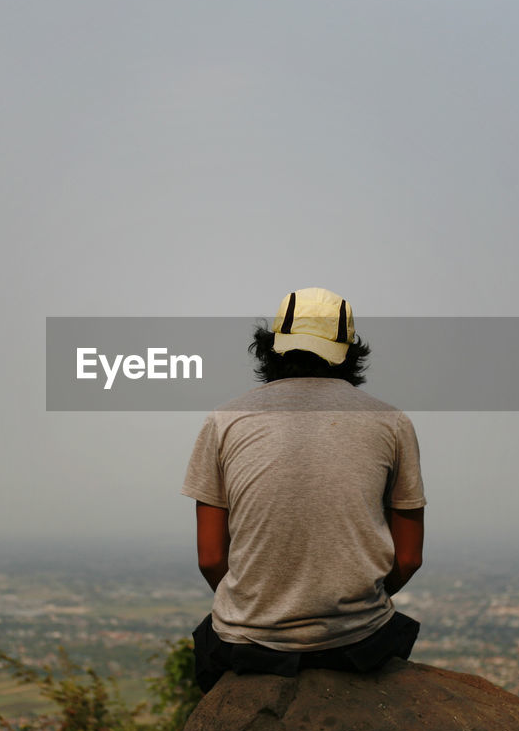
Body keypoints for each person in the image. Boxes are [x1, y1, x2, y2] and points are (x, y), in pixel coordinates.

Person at [181, 287, 427, 693]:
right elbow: (409, 557)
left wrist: (258, 609)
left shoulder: (223, 421)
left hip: (249, 646)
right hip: (357, 644)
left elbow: (210, 558)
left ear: (271, 348)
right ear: (349, 352)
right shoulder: (392, 422)